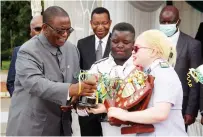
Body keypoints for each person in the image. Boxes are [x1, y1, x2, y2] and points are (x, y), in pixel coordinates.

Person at [6, 6, 96, 136]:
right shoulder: (28, 51)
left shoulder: (72, 50)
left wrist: (74, 98)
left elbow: (75, 81)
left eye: (68, 30)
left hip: (62, 127)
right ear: (45, 28)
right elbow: (34, 83)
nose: (65, 35)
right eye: (60, 31)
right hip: (32, 128)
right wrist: (71, 90)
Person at [88, 30, 187, 136]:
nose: (133, 52)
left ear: (153, 51)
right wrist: (107, 108)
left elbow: (160, 113)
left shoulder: (163, 72)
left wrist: (124, 115)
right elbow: (140, 106)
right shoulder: (149, 72)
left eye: (136, 48)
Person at [78, 22, 135, 136]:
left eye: (126, 42)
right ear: (110, 41)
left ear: (133, 44)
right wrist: (85, 105)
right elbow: (82, 108)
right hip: (106, 131)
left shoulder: (141, 67)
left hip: (136, 131)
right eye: (115, 41)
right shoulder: (97, 67)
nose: (120, 45)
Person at [159, 5, 202, 129]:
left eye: (170, 22)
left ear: (178, 21)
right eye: (163, 22)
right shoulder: (152, 41)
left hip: (181, 105)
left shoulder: (193, 45)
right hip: (156, 102)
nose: (166, 25)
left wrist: (190, 111)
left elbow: (195, 79)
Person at [77, 7, 112, 136]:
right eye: (96, 23)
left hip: (111, 107)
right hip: (88, 107)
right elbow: (79, 74)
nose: (100, 27)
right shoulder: (82, 44)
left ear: (110, 22)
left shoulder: (119, 43)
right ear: (91, 23)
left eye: (104, 23)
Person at [6, 15, 43, 97]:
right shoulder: (19, 51)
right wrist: (19, 102)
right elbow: (11, 82)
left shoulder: (58, 51)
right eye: (38, 29)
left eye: (44, 28)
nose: (41, 32)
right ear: (30, 31)